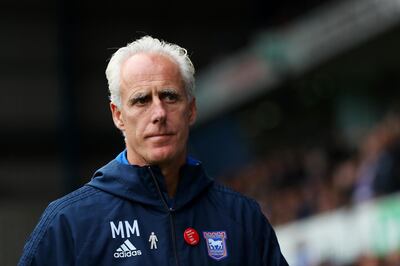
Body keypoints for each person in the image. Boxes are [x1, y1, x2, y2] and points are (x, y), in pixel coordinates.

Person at [18, 36, 288, 265]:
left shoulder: (242, 218)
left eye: (170, 96)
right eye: (141, 100)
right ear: (118, 116)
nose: (159, 113)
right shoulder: (69, 224)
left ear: (191, 109)